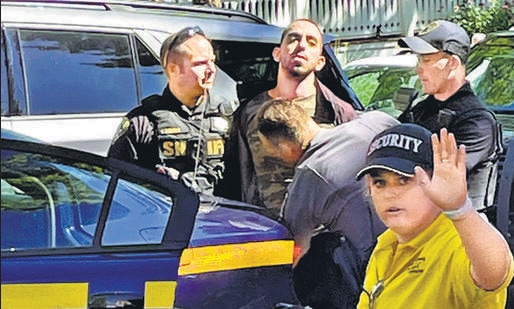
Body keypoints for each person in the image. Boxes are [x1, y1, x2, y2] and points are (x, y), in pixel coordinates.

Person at [256, 99, 398, 308]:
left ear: (285, 147)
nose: (276, 156)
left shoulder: (309, 175)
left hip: (379, 269)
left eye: (273, 152)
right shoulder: (375, 121)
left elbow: (294, 248)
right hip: (428, 236)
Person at [355, 124, 514, 308]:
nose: (390, 193)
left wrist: (460, 210)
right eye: (379, 182)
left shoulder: (456, 241)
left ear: (436, 181)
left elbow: (494, 274)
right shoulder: (387, 243)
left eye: (404, 180)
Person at [225, 18, 357, 214]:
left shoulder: (339, 113)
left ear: (321, 62)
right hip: (266, 233)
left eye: (311, 42)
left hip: (321, 235)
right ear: (277, 53)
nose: (301, 45)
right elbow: (235, 178)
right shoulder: (249, 112)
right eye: (293, 39)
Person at [108, 26, 238, 193]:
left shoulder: (229, 116)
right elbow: (121, 186)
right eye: (200, 63)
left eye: (212, 61)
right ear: (173, 69)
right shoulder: (143, 122)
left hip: (220, 215)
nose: (212, 70)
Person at [397, 20, 503, 212]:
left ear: (452, 63)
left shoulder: (477, 122)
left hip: (460, 229)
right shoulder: (420, 109)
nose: (418, 69)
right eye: (419, 60)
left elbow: (438, 178)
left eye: (427, 60)